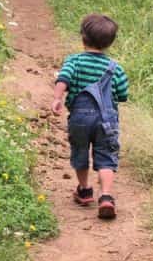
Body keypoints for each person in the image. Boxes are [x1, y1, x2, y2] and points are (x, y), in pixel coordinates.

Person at [51, 13, 129, 220]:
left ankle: (85, 191)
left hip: (79, 118)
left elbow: (63, 78)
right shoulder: (115, 67)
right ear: (109, 43)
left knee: (81, 152)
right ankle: (106, 196)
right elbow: (123, 94)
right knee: (106, 156)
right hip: (107, 120)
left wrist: (57, 98)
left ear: (82, 37)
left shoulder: (74, 61)